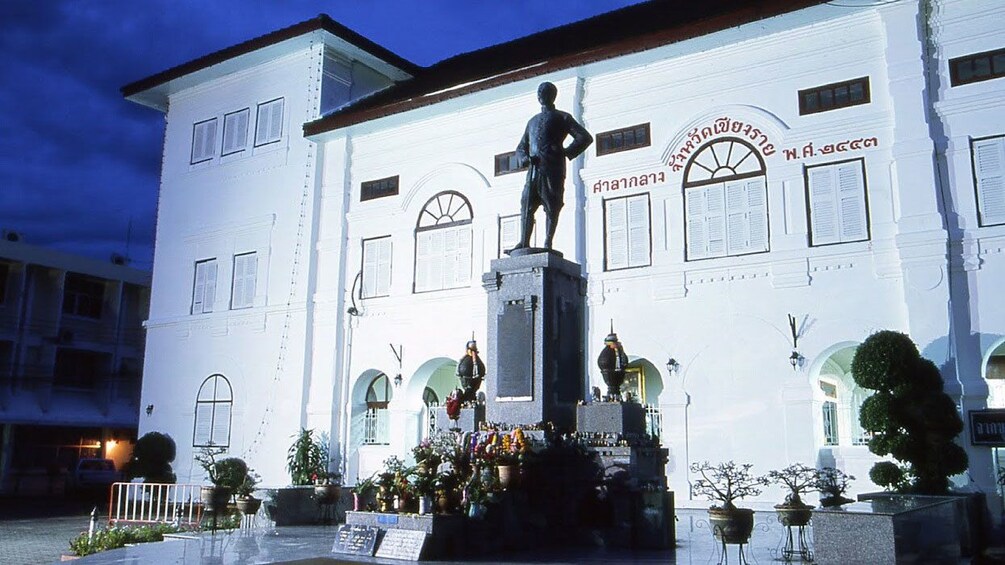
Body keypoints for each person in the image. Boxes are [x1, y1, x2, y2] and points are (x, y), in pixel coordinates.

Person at [510, 82, 593, 252]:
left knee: (552, 205)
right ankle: (524, 241)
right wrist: (524, 158)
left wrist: (566, 152)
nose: (541, 94)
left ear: (552, 95)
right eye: (539, 91)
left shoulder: (562, 117)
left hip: (553, 169)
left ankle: (548, 242)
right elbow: (520, 147)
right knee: (526, 203)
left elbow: (584, 137)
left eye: (545, 92)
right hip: (533, 170)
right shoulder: (532, 121)